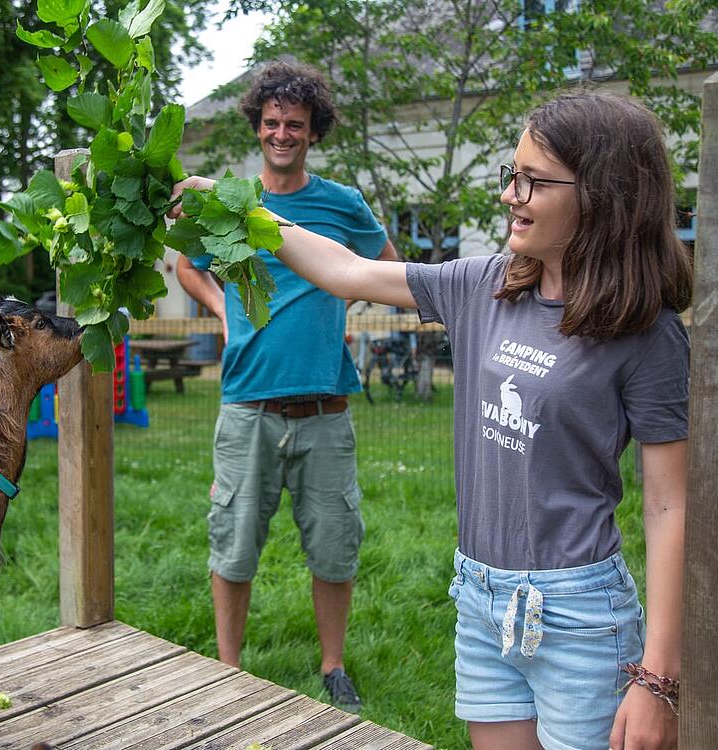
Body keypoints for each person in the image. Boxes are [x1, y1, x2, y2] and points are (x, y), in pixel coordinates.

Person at [170, 90, 690, 750]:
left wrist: (657, 677)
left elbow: (672, 506)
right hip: (479, 595)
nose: (510, 195)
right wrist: (238, 207)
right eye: (512, 174)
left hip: (580, 614)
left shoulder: (645, 332)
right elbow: (347, 268)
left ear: (603, 195)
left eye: (533, 180)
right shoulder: (485, 286)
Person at [174, 60, 399, 712]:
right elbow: (188, 269)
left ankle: (333, 666)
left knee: (334, 542)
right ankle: (228, 669)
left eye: (294, 124)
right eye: (271, 123)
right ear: (257, 126)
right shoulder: (229, 203)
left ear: (313, 131)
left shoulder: (343, 205)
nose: (282, 134)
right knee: (234, 541)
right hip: (248, 403)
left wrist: (340, 307)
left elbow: (387, 271)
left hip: (326, 405)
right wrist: (221, 309)